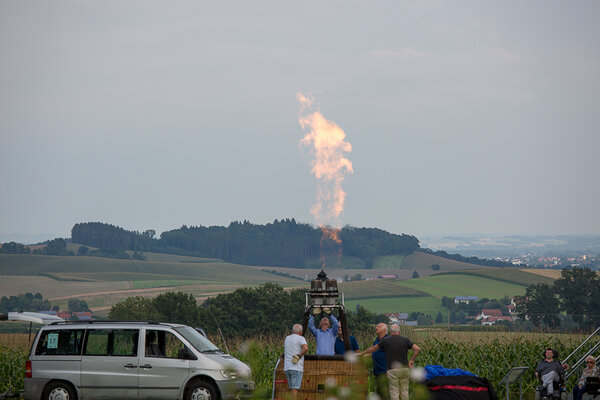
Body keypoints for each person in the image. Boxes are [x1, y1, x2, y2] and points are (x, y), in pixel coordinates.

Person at [359, 324, 420, 400]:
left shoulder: (386, 340)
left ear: (390, 332)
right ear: (399, 332)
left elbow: (373, 349)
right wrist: (411, 360)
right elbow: (417, 349)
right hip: (404, 369)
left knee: (394, 392)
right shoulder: (405, 340)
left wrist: (361, 353)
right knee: (404, 391)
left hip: (392, 369)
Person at [284, 324, 309, 399]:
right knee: (295, 389)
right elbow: (305, 348)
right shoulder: (301, 338)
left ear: (292, 331)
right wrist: (299, 356)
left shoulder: (287, 338)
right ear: (301, 332)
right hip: (296, 367)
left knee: (292, 388)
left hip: (287, 367)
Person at [372, 323, 390, 400]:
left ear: (384, 330)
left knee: (384, 393)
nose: (376, 327)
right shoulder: (376, 341)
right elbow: (373, 352)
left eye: (378, 326)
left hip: (384, 371)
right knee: (379, 393)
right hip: (377, 371)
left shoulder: (387, 340)